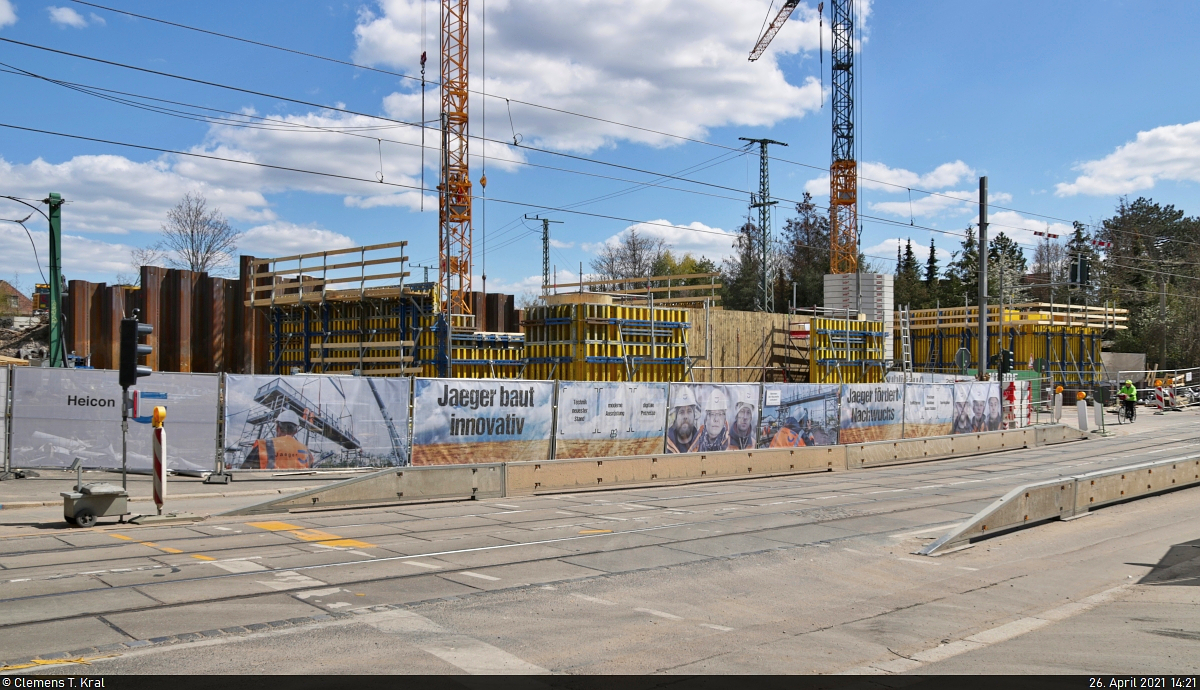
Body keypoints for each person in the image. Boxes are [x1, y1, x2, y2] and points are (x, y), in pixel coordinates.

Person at [243, 410, 316, 469]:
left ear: (277, 427)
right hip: (297, 487)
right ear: (296, 431)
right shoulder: (306, 451)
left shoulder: (263, 446)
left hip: (269, 486)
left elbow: (243, 474)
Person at [665, 387, 701, 453]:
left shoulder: (702, 444)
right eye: (681, 412)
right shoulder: (665, 444)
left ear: (694, 416)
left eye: (689, 411)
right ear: (676, 417)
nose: (685, 416)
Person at [696, 388, 730, 452]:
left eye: (720, 414)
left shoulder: (731, 444)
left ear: (724, 420)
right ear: (706, 419)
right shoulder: (696, 442)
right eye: (712, 414)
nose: (716, 419)